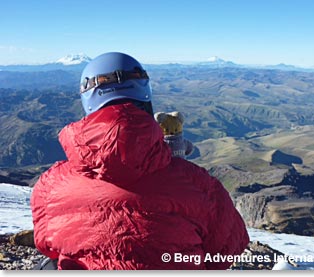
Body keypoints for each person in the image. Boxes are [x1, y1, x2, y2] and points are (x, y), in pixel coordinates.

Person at [31, 52, 249, 270]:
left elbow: (45, 244)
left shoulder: (50, 186)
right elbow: (227, 250)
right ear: (146, 96)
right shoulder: (199, 185)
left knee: (48, 265)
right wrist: (174, 165)